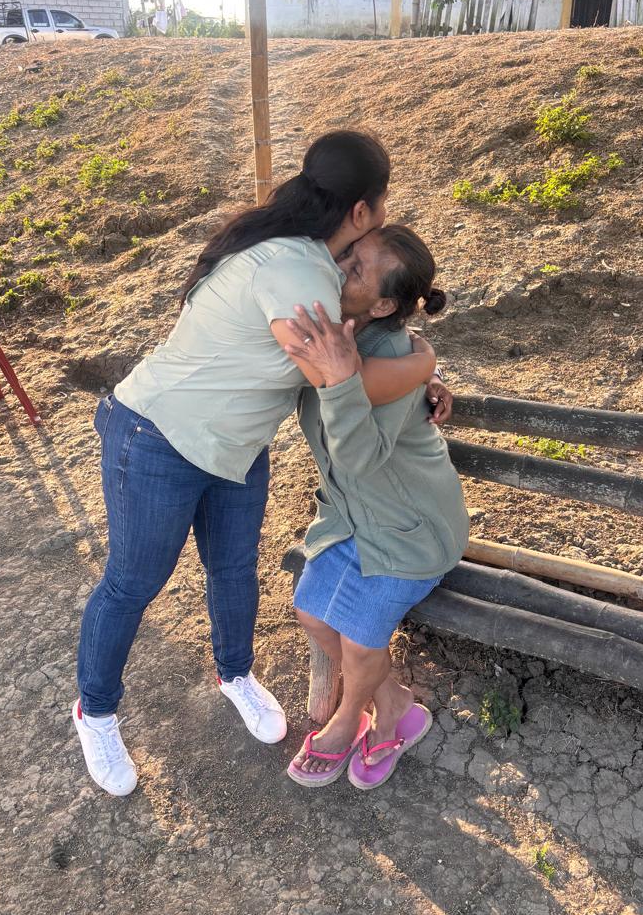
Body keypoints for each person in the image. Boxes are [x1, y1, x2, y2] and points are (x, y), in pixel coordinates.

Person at [73, 131, 442, 797]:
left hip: (236, 447)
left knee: (233, 568)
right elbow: (341, 377)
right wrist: (424, 366)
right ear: (362, 210)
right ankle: (95, 711)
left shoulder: (309, 258)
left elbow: (363, 345)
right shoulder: (299, 271)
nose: (385, 215)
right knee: (133, 583)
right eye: (383, 203)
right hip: (160, 436)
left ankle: (235, 672)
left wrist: (423, 371)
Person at [285, 225, 469, 790]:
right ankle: (394, 704)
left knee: (362, 640)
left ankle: (350, 720)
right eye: (346, 255)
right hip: (352, 517)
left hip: (410, 528)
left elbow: (360, 460)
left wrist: (345, 380)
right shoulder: (340, 329)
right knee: (313, 614)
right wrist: (428, 368)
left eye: (357, 269)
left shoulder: (385, 353)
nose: (340, 267)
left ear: (384, 305)